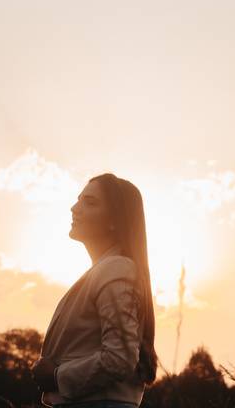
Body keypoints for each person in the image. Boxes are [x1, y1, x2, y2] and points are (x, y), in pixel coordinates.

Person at [31, 173, 158, 408]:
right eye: (78, 199)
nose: (74, 208)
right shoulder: (105, 270)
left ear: (115, 220)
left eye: (90, 202)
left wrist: (57, 376)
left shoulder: (116, 268)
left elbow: (120, 358)